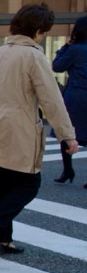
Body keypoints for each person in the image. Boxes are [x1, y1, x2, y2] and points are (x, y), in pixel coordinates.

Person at [0, 3, 78, 255]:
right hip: (19, 130)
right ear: (38, 29)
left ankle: (2, 240)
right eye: (44, 31)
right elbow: (51, 100)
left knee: (1, 185)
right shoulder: (34, 57)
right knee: (28, 184)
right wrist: (67, 135)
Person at [52, 15, 87, 186]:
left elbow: (57, 66)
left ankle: (68, 169)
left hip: (76, 95)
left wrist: (65, 46)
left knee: (67, 132)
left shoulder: (75, 50)